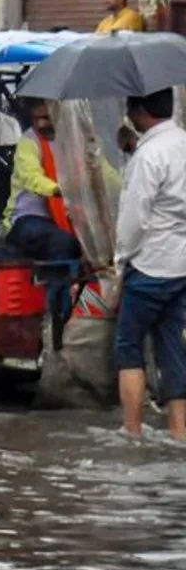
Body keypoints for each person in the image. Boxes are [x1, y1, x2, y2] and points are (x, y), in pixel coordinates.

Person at [115, 89, 186, 439]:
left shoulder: (149, 155)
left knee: (128, 348)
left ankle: (132, 431)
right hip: (181, 265)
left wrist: (120, 260)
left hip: (149, 265)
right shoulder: (182, 143)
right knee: (173, 348)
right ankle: (179, 431)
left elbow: (133, 219)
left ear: (140, 111)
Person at [3, 99, 82, 263]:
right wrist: (57, 189)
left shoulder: (73, 140)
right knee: (63, 244)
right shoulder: (28, 142)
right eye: (35, 119)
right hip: (27, 219)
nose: (40, 124)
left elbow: (99, 167)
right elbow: (31, 177)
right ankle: (59, 289)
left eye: (45, 118)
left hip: (66, 216)